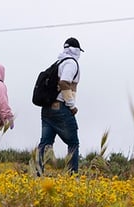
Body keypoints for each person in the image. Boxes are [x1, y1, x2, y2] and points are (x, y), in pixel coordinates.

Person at [36, 37, 83, 176]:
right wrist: (72, 105)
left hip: (47, 109)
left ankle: (38, 174)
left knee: (45, 144)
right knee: (73, 143)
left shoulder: (59, 62)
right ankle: (72, 176)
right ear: (76, 50)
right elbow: (64, 83)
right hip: (60, 108)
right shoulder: (71, 63)